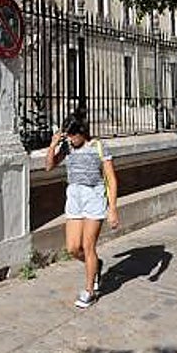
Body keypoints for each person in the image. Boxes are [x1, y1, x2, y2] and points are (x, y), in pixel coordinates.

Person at [46, 115, 120, 308]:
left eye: (72, 135)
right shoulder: (67, 147)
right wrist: (53, 145)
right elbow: (48, 166)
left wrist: (112, 209)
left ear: (82, 133)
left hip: (94, 197)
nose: (70, 139)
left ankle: (89, 291)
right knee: (72, 248)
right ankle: (95, 265)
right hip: (74, 196)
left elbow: (111, 179)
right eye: (67, 135)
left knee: (88, 247)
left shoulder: (98, 146)